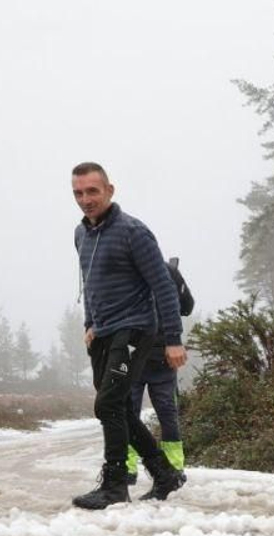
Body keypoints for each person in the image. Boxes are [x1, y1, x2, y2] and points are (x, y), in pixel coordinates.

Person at [69, 161, 188, 509]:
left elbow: (163, 287)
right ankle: (164, 473)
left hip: (135, 329)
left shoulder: (133, 232)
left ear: (109, 190)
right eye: (78, 192)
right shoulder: (80, 235)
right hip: (103, 333)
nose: (85, 199)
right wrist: (89, 323)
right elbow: (90, 282)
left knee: (107, 404)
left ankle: (115, 483)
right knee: (118, 406)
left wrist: (173, 339)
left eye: (92, 191)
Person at [124, 351, 186, 490]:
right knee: (129, 415)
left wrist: (174, 344)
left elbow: (173, 328)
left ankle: (174, 467)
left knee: (167, 416)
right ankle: (127, 468)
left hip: (160, 361)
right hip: (134, 359)